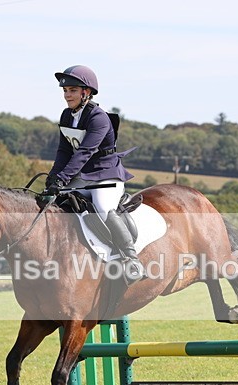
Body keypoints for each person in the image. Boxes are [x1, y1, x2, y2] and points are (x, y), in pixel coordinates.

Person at [44, 65, 144, 283]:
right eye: (65, 91)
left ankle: (131, 259)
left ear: (86, 92)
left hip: (106, 174)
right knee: (54, 203)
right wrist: (53, 177)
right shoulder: (67, 115)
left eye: (72, 90)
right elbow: (64, 151)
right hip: (82, 177)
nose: (67, 95)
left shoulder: (98, 118)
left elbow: (84, 153)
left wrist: (63, 178)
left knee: (102, 206)